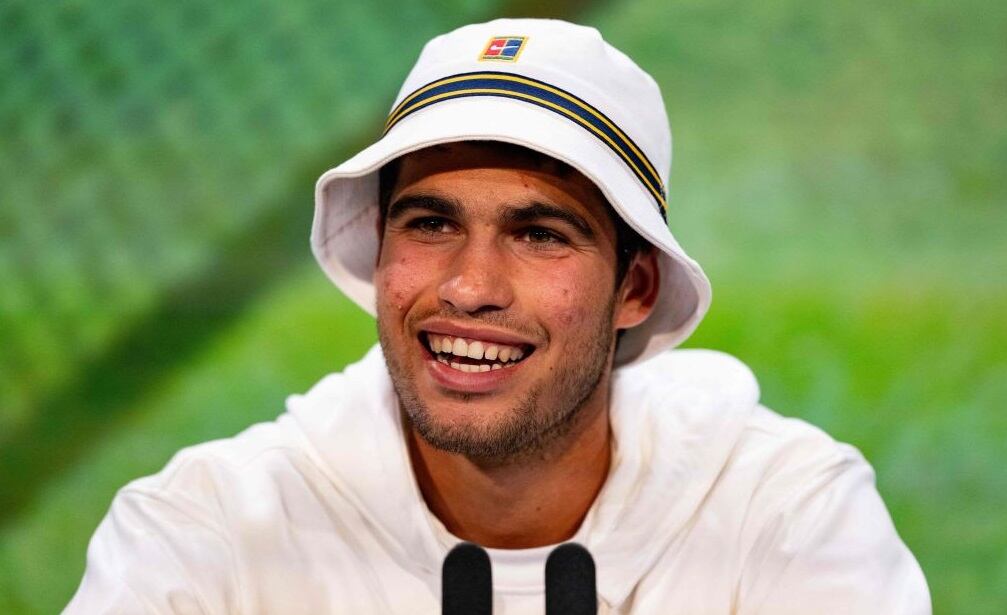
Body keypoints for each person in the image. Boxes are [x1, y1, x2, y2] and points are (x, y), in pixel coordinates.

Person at [66, 18, 930, 614]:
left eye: (539, 233)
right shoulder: (205, 526)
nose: (470, 286)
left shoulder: (784, 514)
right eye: (431, 222)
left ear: (635, 288)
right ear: (381, 246)